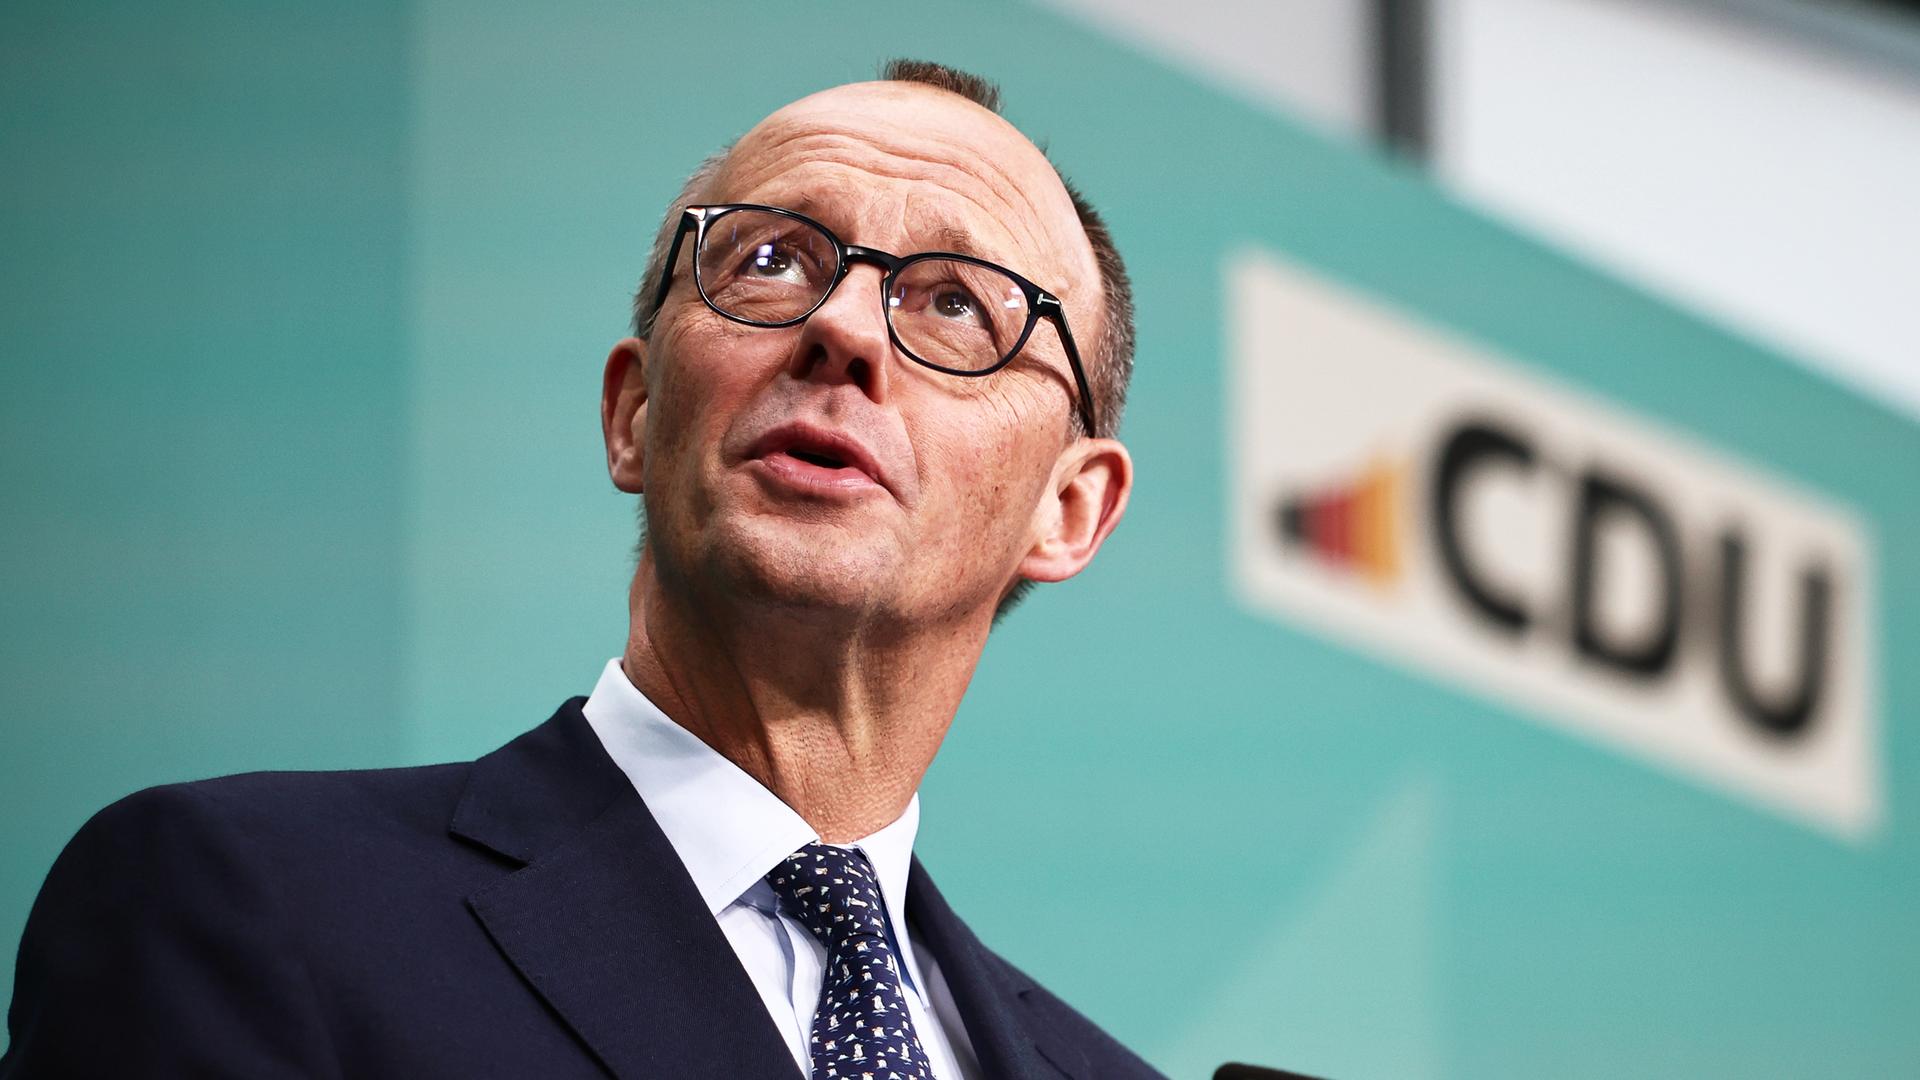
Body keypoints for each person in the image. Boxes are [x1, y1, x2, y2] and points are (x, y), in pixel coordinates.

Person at [1, 59, 1160, 1079]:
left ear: (1068, 509)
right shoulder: (245, 906)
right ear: (635, 412)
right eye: (770, 258)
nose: (845, 328)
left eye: (956, 302)